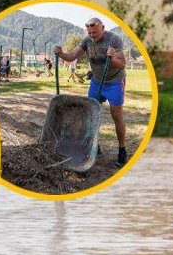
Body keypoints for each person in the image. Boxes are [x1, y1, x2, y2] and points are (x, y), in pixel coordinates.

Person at [54, 17, 128, 168]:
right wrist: (61, 53)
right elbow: (72, 56)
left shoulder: (114, 39)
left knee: (116, 115)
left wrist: (113, 58)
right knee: (90, 114)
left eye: (94, 32)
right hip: (96, 82)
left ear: (103, 27)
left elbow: (122, 64)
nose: (92, 35)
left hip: (114, 82)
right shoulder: (87, 41)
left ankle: (122, 150)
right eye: (90, 32)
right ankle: (94, 145)